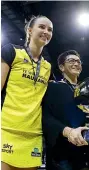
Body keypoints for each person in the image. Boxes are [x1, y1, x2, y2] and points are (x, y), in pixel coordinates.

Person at [1, 15, 53, 170]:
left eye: (50, 29)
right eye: (42, 27)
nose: (46, 32)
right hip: (7, 129)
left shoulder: (48, 67)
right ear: (30, 30)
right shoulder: (12, 51)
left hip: (33, 134)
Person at [42, 50, 89, 170]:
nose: (76, 64)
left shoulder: (88, 90)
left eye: (78, 61)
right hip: (62, 153)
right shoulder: (52, 87)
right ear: (61, 67)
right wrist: (67, 131)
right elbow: (46, 117)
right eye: (71, 61)